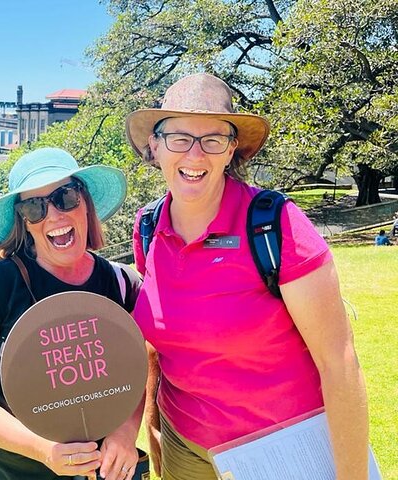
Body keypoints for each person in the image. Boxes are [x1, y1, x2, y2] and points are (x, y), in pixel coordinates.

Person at [125, 73, 369, 480]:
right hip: (185, 448)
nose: (195, 154)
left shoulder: (275, 225)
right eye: (179, 137)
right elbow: (161, 341)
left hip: (279, 448)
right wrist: (149, 424)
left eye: (213, 139)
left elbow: (339, 363)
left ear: (232, 149)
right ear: (155, 144)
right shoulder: (148, 227)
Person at [0, 147, 145, 480]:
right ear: (25, 222)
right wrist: (42, 449)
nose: (53, 215)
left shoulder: (120, 284)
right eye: (34, 207)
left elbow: (135, 371)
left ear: (85, 202)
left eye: (65, 197)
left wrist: (124, 431)